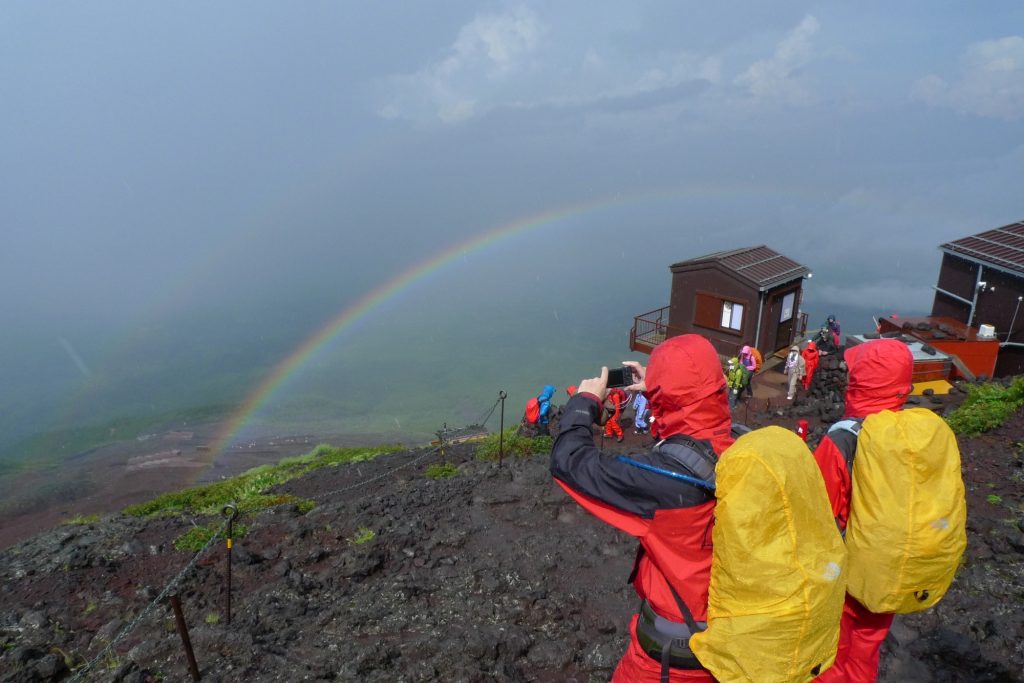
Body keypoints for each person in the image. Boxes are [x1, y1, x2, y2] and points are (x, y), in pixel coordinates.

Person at [550, 334, 735, 682]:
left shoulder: (663, 481)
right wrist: (662, 390)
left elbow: (569, 462)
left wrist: (584, 403)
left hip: (674, 659)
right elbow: (697, 432)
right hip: (733, 640)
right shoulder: (743, 444)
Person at [813, 339, 911, 682]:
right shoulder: (913, 434)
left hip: (849, 575)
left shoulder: (843, 441)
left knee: (830, 651)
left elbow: (818, 515)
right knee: (867, 646)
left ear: (861, 383)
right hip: (894, 568)